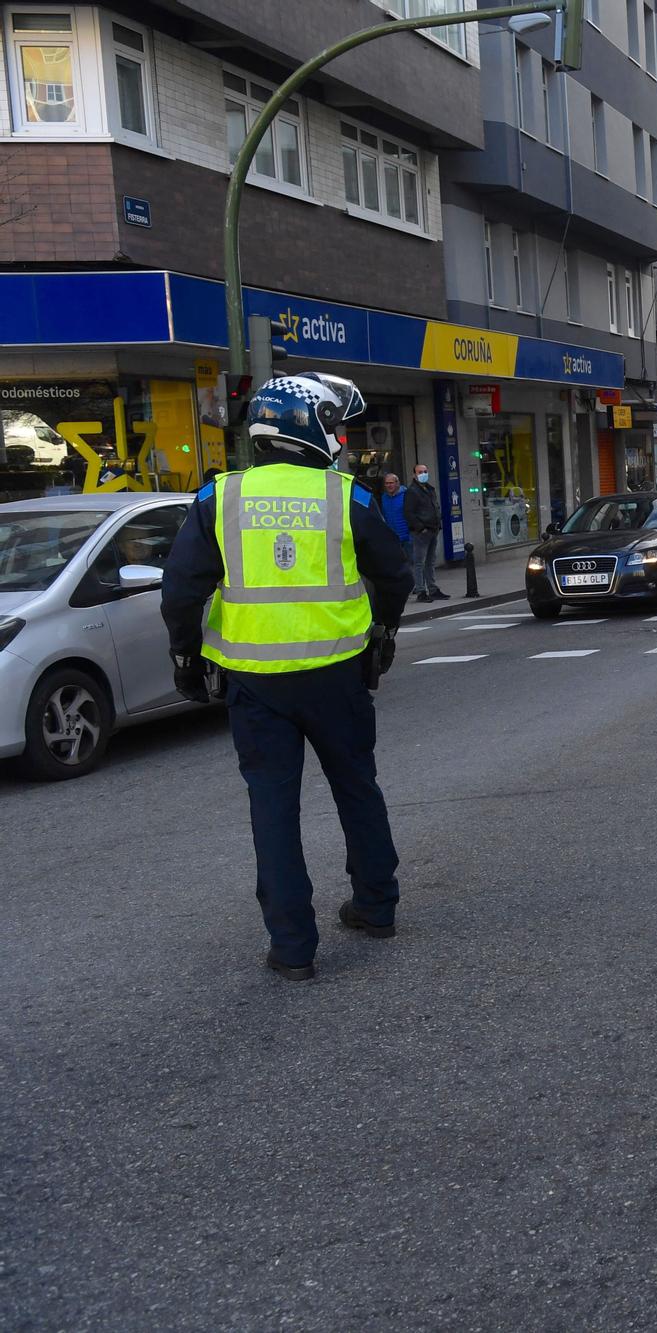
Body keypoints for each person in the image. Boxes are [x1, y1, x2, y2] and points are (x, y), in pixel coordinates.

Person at [159, 372, 413, 982]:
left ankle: (293, 947)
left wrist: (187, 660)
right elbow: (397, 575)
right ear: (315, 427)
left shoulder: (218, 498)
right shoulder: (345, 496)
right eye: (338, 425)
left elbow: (179, 592)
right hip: (336, 676)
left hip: (254, 684)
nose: (344, 437)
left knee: (273, 809)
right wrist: (383, 632)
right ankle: (376, 907)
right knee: (358, 789)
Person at [405, 463, 446, 603]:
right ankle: (421, 591)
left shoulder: (429, 489)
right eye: (420, 472)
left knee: (430, 561)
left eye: (425, 471)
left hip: (432, 529)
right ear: (414, 475)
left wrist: (437, 525)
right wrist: (420, 528)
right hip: (421, 532)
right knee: (419, 562)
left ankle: (432, 588)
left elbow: (435, 507)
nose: (423, 474)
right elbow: (409, 513)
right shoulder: (412, 491)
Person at [379, 472, 410, 565]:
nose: (389, 485)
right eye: (387, 483)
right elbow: (384, 517)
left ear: (397, 483)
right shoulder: (384, 498)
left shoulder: (407, 495)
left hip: (407, 539)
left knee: (411, 566)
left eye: (391, 483)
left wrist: (411, 536)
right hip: (393, 539)